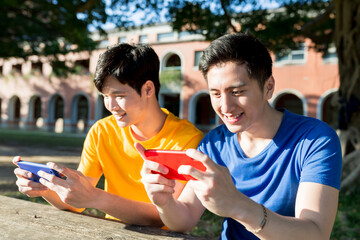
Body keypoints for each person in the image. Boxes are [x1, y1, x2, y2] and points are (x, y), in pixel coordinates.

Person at [137, 33, 342, 239]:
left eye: (237, 91)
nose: (225, 107)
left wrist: (237, 205)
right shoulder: (214, 144)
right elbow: (186, 218)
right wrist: (164, 203)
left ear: (268, 87)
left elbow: (316, 233)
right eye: (215, 94)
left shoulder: (315, 140)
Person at [13, 43, 203, 227]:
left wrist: (96, 197)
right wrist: (45, 187)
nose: (111, 106)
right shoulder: (101, 131)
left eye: (119, 96)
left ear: (148, 89)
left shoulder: (187, 140)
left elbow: (165, 216)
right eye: (105, 96)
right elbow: (77, 201)